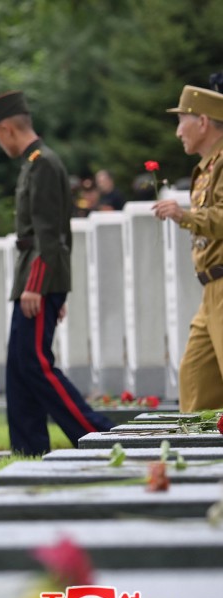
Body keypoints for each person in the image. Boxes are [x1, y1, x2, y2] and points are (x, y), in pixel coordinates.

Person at [0, 91, 115, 455]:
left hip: (35, 281)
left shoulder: (42, 164)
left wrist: (41, 287)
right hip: (35, 279)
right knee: (20, 367)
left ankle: (97, 435)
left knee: (34, 363)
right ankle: (28, 449)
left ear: (6, 129)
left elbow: (49, 235)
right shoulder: (36, 163)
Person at [152, 84, 223, 411]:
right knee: (194, 377)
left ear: (204, 122)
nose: (178, 131)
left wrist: (185, 215)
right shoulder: (206, 166)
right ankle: (203, 460)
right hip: (210, 290)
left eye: (182, 121)